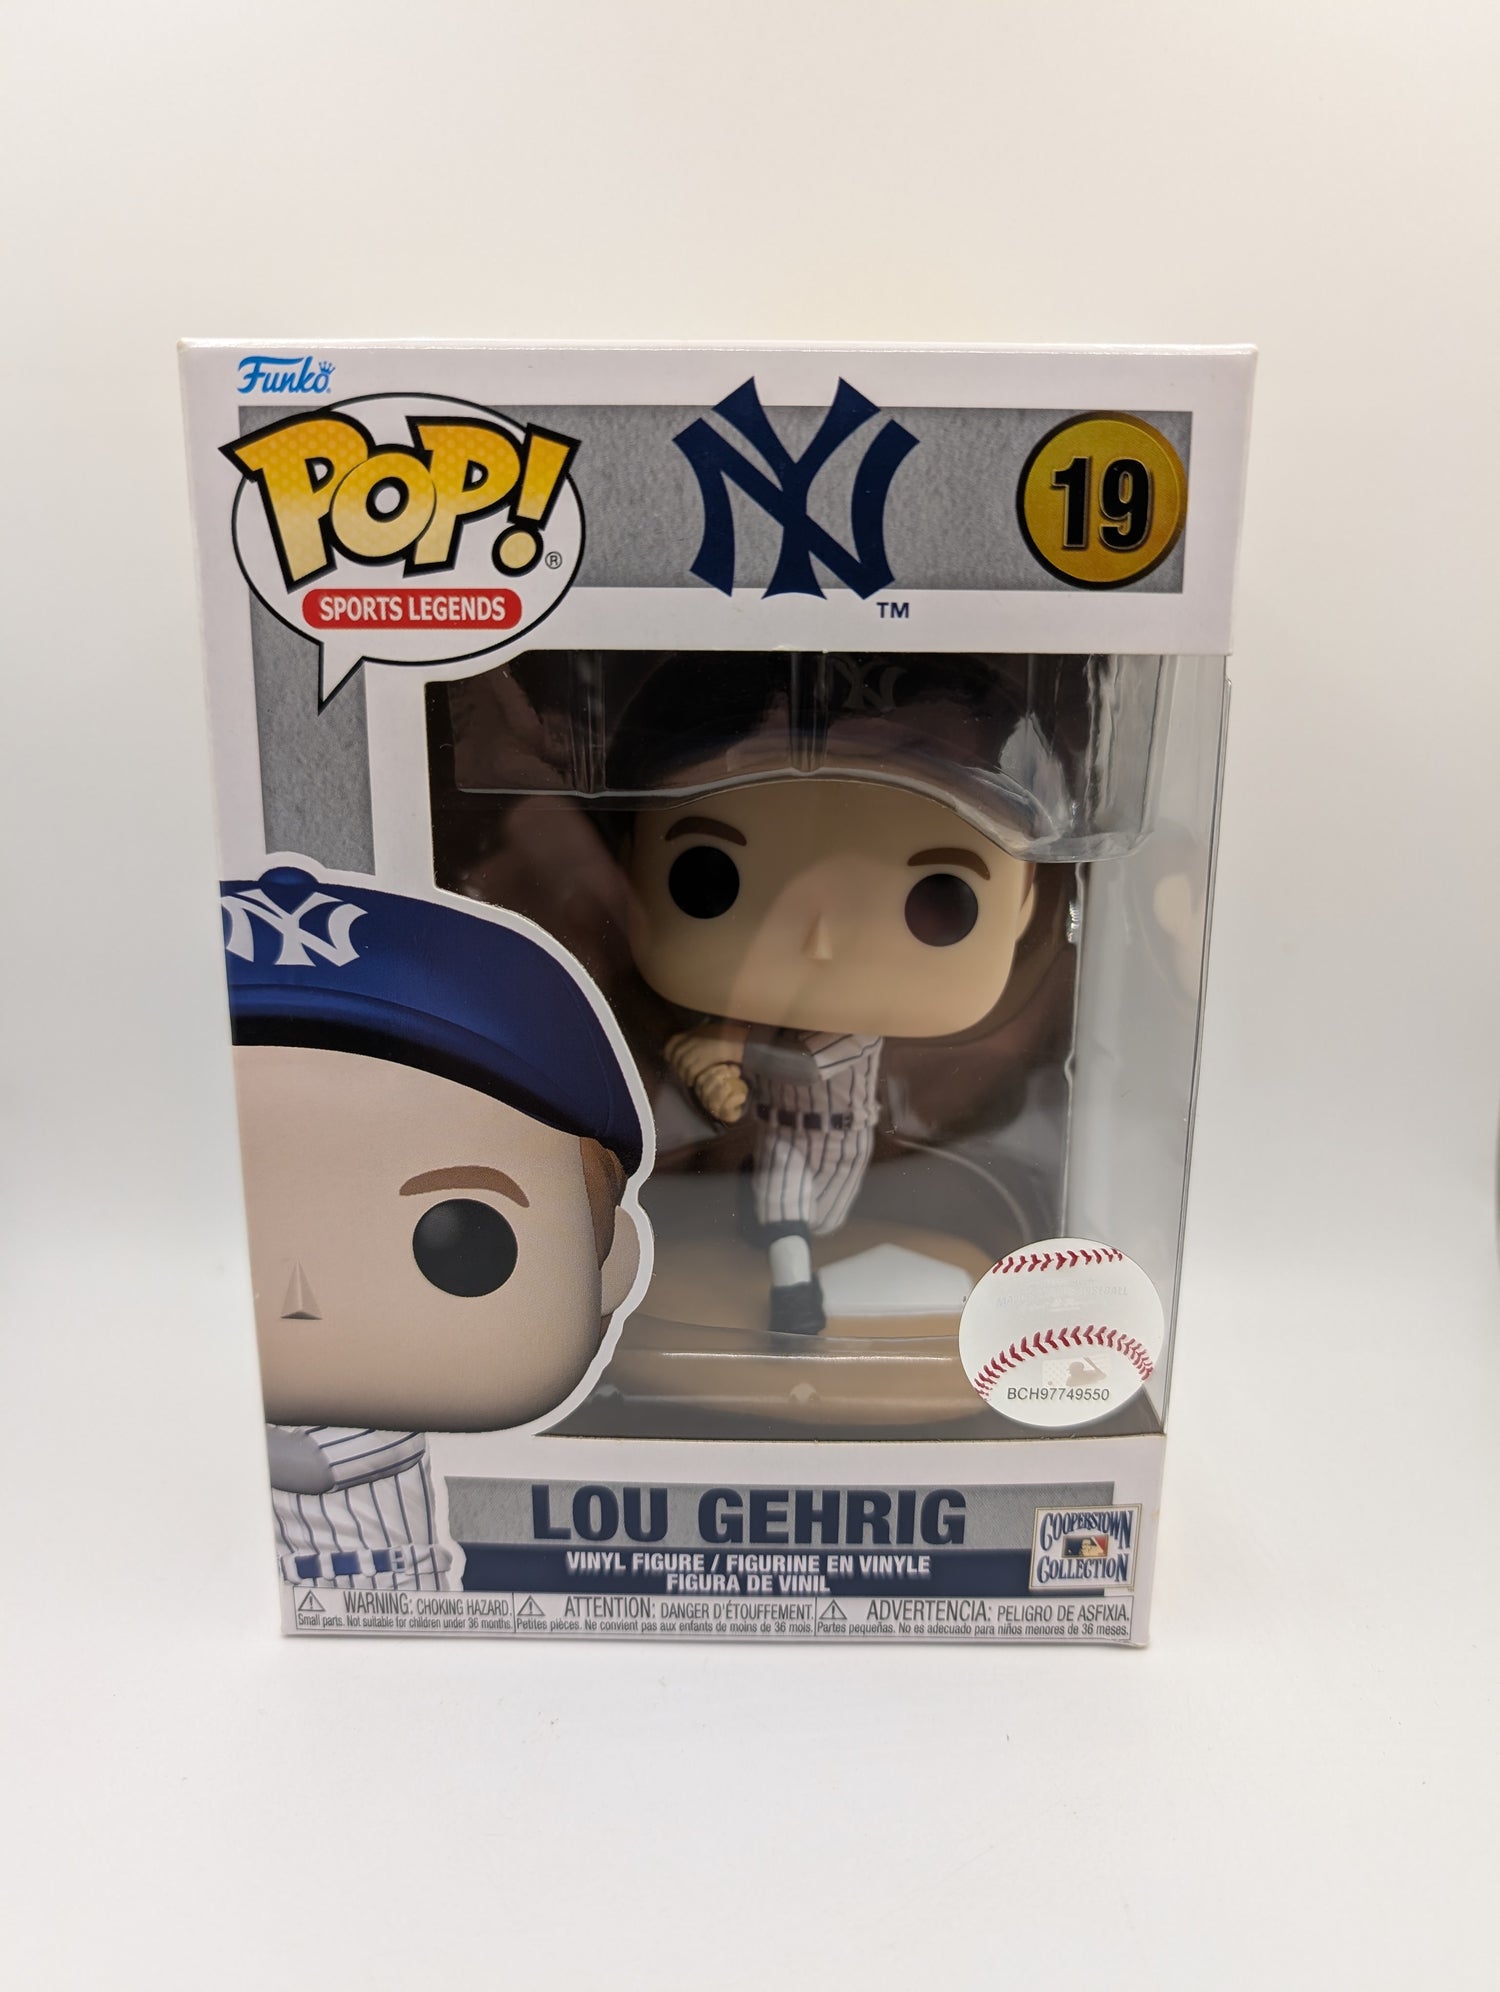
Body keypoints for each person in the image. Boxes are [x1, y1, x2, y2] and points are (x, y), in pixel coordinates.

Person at [221, 867, 646, 1591]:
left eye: (463, 1236)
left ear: (611, 1265)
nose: (299, 1291)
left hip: (384, 1593)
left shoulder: (368, 1425)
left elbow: (298, 1465)